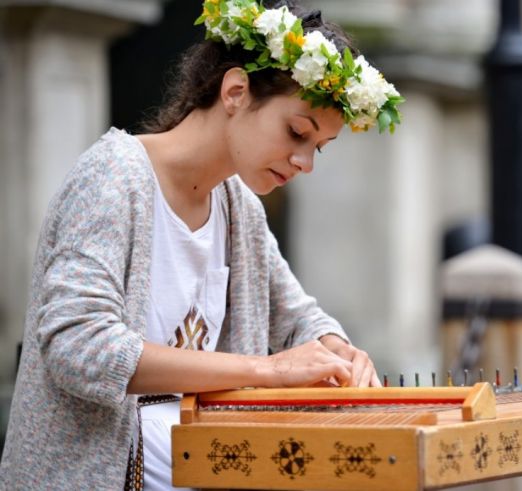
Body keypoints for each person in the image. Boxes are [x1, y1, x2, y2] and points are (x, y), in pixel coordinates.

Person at [0, 1, 404, 489]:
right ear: (235, 91)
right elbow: (80, 347)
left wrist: (339, 350)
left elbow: (297, 318)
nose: (305, 163)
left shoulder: (238, 207)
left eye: (317, 147)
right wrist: (267, 370)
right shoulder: (113, 177)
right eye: (296, 132)